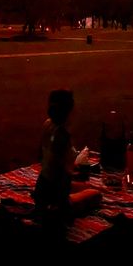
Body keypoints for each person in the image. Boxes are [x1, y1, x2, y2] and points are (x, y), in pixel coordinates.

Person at [32, 89, 102, 223]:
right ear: (70, 110)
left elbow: (43, 158)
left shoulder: (47, 124)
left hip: (42, 186)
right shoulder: (62, 135)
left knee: (90, 186)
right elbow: (59, 176)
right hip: (55, 197)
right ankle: (56, 210)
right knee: (96, 194)